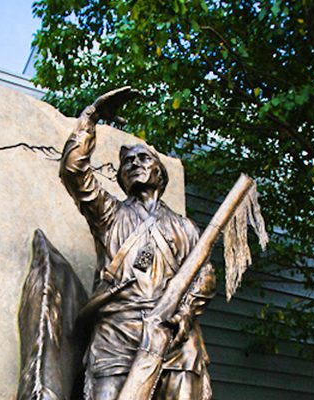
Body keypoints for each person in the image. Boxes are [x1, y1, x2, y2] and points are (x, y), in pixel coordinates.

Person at [60, 87, 216, 400]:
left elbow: (205, 275)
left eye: (143, 158)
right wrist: (90, 118)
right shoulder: (109, 214)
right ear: (121, 177)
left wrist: (185, 312)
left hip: (173, 336)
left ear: (160, 173)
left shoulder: (184, 227)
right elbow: (73, 171)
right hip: (117, 334)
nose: (134, 163)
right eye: (127, 162)